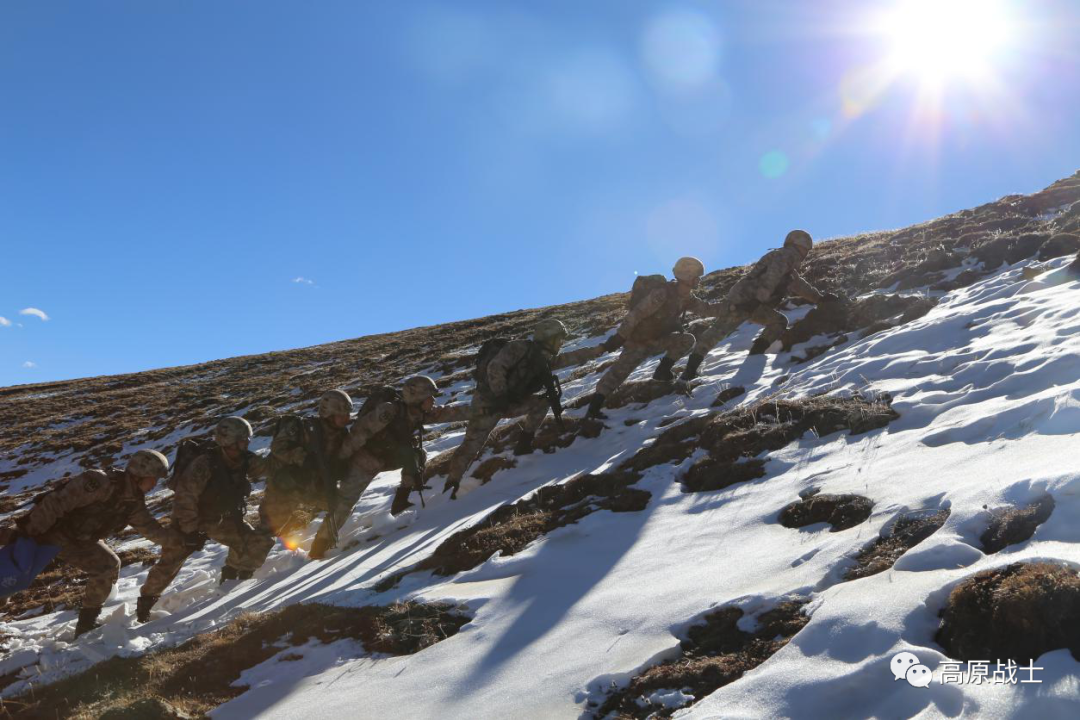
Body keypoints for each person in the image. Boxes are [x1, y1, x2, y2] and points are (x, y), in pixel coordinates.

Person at [13, 449, 172, 637]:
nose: (155, 484)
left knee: (108, 565)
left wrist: (177, 540)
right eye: (153, 478)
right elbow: (54, 503)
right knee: (11, 579)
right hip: (49, 535)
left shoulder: (133, 501)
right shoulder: (99, 482)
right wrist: (28, 535)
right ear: (140, 475)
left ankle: (86, 625)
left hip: (79, 541)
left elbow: (148, 527)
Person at [310, 376, 468, 557]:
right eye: (429, 397)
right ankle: (319, 545)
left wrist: (485, 409)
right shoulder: (389, 411)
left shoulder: (419, 412)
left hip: (386, 458)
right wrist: (340, 461)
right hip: (364, 460)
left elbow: (450, 413)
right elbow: (358, 433)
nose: (433, 401)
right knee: (345, 503)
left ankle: (401, 501)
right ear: (417, 398)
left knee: (416, 455)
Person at [442, 319, 602, 497]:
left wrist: (601, 349)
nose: (561, 343)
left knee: (542, 402)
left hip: (511, 402)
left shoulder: (545, 359)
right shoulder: (519, 348)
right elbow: (495, 367)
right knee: (472, 444)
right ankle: (451, 485)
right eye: (558, 338)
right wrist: (501, 395)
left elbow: (571, 357)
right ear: (548, 338)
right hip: (488, 403)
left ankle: (524, 444)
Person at [136, 417, 273, 621]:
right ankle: (145, 605)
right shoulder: (205, 464)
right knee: (169, 564)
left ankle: (231, 585)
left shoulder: (245, 459)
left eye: (246, 440)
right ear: (229, 442)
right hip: (189, 520)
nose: (247, 444)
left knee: (251, 544)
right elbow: (185, 498)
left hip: (222, 520)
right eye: (243, 440)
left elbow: (267, 469)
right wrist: (191, 531)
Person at [678, 230, 836, 381]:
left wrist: (819, 298)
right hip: (745, 302)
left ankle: (693, 370)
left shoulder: (788, 266)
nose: (806, 253)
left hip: (751, 303)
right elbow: (772, 276)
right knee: (719, 332)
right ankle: (691, 372)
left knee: (719, 333)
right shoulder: (785, 256)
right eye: (805, 249)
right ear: (797, 245)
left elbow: (799, 285)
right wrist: (758, 299)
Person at [585, 256, 727, 419]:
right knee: (618, 374)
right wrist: (618, 339)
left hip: (658, 340)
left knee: (687, 340)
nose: (699, 280)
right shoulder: (661, 293)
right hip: (638, 342)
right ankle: (592, 411)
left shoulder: (687, 298)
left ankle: (662, 372)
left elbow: (707, 310)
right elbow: (635, 315)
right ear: (686, 276)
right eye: (696, 276)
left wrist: (733, 306)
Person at [256, 389, 352, 559]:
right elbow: (278, 447)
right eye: (343, 414)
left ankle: (320, 548)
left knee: (339, 506)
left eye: (347, 414)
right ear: (329, 414)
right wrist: (301, 457)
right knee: (269, 529)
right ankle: (240, 572)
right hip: (286, 487)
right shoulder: (302, 427)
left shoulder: (341, 435)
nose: (347, 419)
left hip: (314, 487)